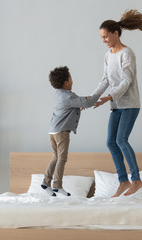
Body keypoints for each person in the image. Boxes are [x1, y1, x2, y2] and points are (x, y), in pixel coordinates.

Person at [92, 9, 142, 197]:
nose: (104, 41)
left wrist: (110, 97)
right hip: (116, 105)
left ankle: (137, 180)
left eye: (106, 36)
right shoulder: (108, 56)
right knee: (110, 142)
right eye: (102, 38)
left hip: (130, 104)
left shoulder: (127, 53)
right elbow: (105, 80)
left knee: (121, 140)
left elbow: (126, 80)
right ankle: (123, 180)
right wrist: (92, 98)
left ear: (115, 33)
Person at [41, 66, 100, 197]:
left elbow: (77, 102)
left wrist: (81, 104)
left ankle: (45, 182)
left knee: (55, 156)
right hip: (62, 132)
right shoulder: (69, 97)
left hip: (52, 131)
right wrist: (98, 94)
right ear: (66, 83)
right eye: (71, 78)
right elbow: (88, 103)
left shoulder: (59, 94)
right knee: (62, 158)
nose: (73, 81)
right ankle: (57, 185)